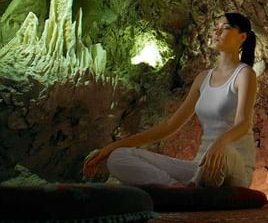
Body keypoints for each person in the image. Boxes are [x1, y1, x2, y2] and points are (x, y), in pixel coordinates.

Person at [82, 12, 258, 188]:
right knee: (119, 157)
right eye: (216, 27)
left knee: (223, 155)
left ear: (242, 37)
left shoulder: (244, 74)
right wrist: (109, 149)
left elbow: (243, 124)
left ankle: (196, 187)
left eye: (225, 28)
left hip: (233, 165)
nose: (217, 32)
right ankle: (176, 187)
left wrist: (221, 142)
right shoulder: (203, 78)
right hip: (200, 167)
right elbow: (169, 127)